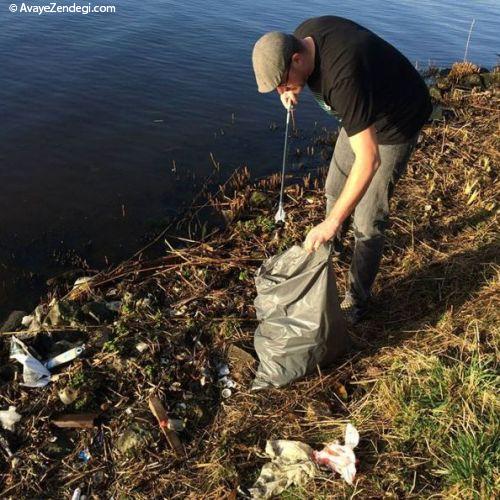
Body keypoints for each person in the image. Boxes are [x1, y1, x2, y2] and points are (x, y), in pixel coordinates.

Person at [251, 16, 432, 324]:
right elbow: (319, 84)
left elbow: (369, 159)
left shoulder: (342, 79)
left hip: (395, 121)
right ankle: (329, 252)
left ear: (297, 58)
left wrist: (332, 221)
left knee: (368, 220)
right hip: (363, 111)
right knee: (335, 188)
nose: (283, 89)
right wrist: (291, 89)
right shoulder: (303, 37)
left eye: (283, 82)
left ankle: (357, 300)